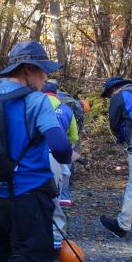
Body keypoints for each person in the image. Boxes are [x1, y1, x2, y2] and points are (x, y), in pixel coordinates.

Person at [0, 41, 73, 262]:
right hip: (28, 197)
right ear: (28, 69)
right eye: (43, 71)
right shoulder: (38, 101)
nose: (46, 78)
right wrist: (68, 158)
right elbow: (60, 148)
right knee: (33, 259)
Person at [99, 76, 132, 238]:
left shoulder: (119, 97)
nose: (110, 96)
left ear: (113, 88)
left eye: (109, 94)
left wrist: (121, 138)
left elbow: (114, 123)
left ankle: (122, 225)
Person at [42, 82, 79, 252]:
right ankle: (57, 237)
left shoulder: (35, 105)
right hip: (57, 157)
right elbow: (73, 136)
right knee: (55, 194)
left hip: (33, 156)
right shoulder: (66, 110)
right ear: (57, 93)